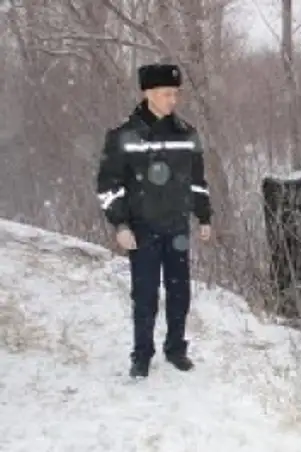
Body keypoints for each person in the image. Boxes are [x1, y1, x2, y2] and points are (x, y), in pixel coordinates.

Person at [95, 63, 213, 378]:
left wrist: (203, 216)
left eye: (176, 93)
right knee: (145, 295)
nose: (173, 100)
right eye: (166, 93)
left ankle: (175, 349)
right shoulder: (123, 135)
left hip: (177, 227)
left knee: (180, 293)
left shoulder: (187, 134)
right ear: (148, 93)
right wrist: (120, 224)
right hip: (142, 230)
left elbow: (197, 180)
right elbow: (108, 185)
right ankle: (141, 355)